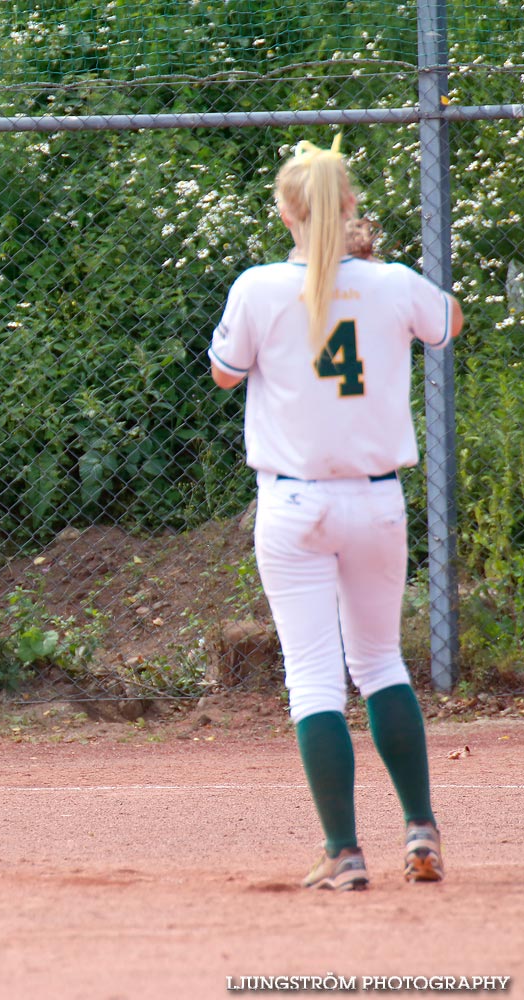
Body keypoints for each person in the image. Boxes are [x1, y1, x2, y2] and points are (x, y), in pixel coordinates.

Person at [208, 136, 463, 889]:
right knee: (381, 663)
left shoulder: (257, 287)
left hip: (292, 503)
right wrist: (372, 263)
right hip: (375, 499)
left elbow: (225, 373)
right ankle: (420, 829)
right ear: (351, 206)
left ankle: (344, 853)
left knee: (316, 678)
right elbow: (448, 322)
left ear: (286, 212)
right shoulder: (390, 282)